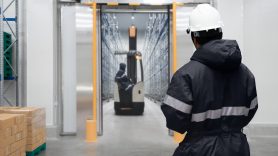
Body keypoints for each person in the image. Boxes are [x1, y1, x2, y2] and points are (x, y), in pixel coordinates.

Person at [161, 4, 258, 156]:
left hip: (198, 150)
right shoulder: (246, 74)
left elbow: (176, 122)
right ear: (220, 32)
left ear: (194, 37)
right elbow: (250, 110)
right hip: (237, 149)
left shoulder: (186, 76)